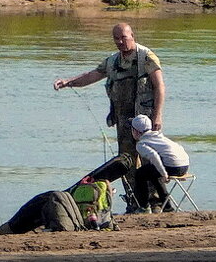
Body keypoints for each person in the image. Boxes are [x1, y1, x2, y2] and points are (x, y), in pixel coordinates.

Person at [53, 22, 165, 213]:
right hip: (123, 122)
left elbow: (159, 87)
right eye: (116, 38)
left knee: (149, 161)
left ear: (132, 35)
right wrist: (68, 82)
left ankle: (156, 204)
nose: (120, 42)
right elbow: (92, 76)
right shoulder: (112, 61)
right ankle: (134, 202)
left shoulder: (146, 56)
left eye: (124, 37)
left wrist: (158, 116)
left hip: (145, 121)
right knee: (126, 162)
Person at [128, 114, 190, 213]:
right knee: (152, 173)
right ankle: (167, 206)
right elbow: (178, 147)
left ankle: (144, 206)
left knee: (140, 173)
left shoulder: (141, 144)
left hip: (172, 167)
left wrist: (164, 174)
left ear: (136, 131)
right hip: (184, 165)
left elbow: (154, 156)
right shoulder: (158, 136)